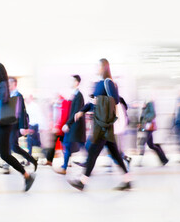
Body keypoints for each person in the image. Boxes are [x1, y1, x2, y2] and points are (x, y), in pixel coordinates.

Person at [68, 58, 131, 191]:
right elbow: (92, 102)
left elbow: (115, 101)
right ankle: (128, 180)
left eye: (98, 66)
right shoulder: (98, 84)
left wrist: (100, 101)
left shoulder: (108, 83)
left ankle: (82, 181)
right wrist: (81, 111)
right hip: (100, 122)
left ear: (104, 67)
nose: (96, 68)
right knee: (114, 153)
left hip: (105, 124)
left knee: (93, 152)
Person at [0, 62, 36, 194]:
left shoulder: (3, 85)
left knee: (5, 155)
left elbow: (4, 99)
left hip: (4, 125)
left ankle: (27, 176)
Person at [56, 75, 86, 174]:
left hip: (76, 126)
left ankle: (65, 167)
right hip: (74, 125)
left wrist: (68, 124)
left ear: (77, 82)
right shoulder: (74, 94)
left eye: (72, 81)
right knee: (69, 144)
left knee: (72, 144)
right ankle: (64, 166)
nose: (70, 83)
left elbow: (75, 112)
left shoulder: (79, 95)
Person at [6, 77, 38, 170]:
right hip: (10, 125)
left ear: (14, 84)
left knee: (13, 147)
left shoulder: (18, 95)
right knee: (11, 146)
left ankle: (31, 160)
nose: (8, 86)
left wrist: (22, 127)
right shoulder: (10, 95)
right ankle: (8, 163)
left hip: (15, 126)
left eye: (9, 84)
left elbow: (21, 112)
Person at [137, 100, 169, 166]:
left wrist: (145, 120)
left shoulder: (150, 103)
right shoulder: (146, 104)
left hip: (148, 127)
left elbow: (153, 114)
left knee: (142, 143)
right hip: (145, 127)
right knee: (151, 145)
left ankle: (139, 162)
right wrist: (141, 123)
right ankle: (164, 159)